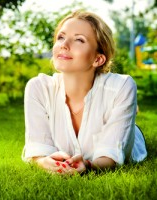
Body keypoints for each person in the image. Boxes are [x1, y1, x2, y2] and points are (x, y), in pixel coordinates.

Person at [22, 10, 147, 175]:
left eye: (79, 40)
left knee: (123, 120)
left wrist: (89, 166)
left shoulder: (122, 86)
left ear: (98, 59)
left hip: (129, 134)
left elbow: (112, 153)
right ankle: (130, 109)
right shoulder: (38, 87)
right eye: (61, 37)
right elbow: (37, 147)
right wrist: (44, 161)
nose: (64, 45)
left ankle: (129, 114)